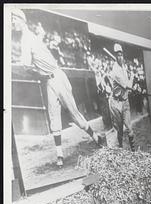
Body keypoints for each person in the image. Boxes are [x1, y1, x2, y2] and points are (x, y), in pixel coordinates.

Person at [11, 9, 106, 167]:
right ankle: (59, 154)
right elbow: (29, 64)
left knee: (74, 114)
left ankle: (96, 137)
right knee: (53, 116)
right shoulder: (27, 38)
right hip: (49, 81)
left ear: (22, 20)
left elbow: (26, 66)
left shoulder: (28, 38)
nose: (12, 22)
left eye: (14, 19)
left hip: (57, 77)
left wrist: (15, 68)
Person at [108, 43, 135, 150]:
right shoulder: (115, 71)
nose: (120, 57)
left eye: (121, 54)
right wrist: (132, 77)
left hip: (125, 100)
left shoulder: (123, 66)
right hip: (115, 103)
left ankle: (134, 151)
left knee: (129, 128)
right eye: (117, 55)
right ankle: (120, 149)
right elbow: (128, 86)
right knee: (119, 130)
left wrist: (128, 71)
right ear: (115, 57)